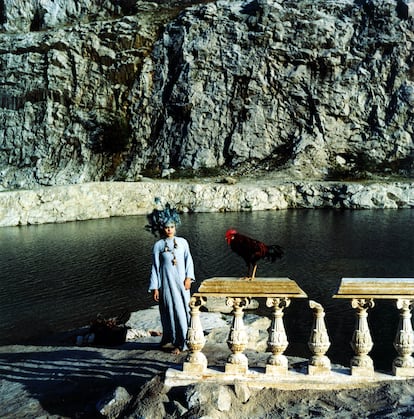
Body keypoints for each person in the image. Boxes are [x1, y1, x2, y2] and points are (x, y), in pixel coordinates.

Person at [147, 202, 195, 355]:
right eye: (167, 227)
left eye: (172, 227)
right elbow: (155, 267)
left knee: (184, 311)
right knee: (170, 312)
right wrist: (155, 287)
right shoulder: (159, 245)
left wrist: (189, 278)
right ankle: (173, 340)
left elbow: (189, 261)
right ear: (163, 228)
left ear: (176, 227)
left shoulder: (183, 242)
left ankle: (185, 342)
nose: (169, 230)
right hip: (166, 285)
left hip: (181, 284)